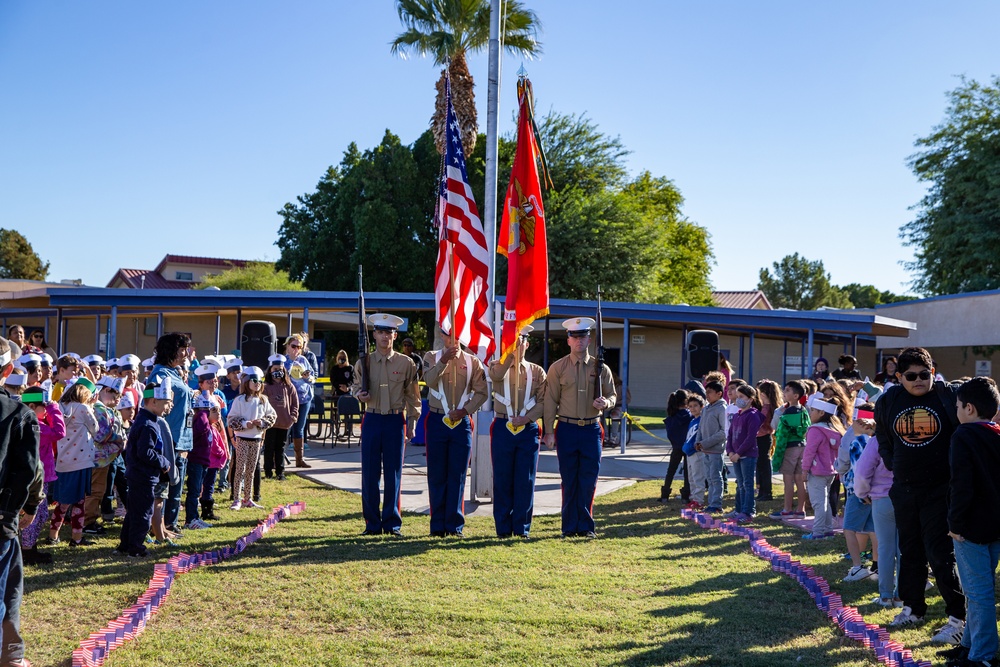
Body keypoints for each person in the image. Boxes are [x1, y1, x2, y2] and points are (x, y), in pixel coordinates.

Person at [877, 347, 966, 641]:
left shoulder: (948, 395)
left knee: (941, 555)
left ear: (932, 372)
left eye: (924, 374)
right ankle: (913, 608)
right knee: (910, 552)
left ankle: (957, 618)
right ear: (899, 376)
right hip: (904, 489)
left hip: (941, 490)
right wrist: (892, 462)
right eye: (911, 376)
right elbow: (883, 436)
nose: (918, 380)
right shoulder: (889, 400)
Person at [542, 317, 617, 538]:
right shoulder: (558, 368)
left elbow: (613, 395)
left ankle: (585, 526)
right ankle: (568, 527)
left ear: (589, 339)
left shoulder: (601, 367)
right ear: (568, 340)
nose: (579, 341)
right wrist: (548, 431)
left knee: (588, 479)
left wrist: (607, 403)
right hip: (566, 428)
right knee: (568, 478)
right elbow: (549, 401)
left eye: (582, 337)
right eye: (574, 337)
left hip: (592, 429)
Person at [945, 377, 1000, 667]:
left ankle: (983, 656)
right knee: (975, 589)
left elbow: (961, 484)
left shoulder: (963, 435)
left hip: (970, 529)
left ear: (968, 408)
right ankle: (968, 645)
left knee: (978, 594)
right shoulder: (997, 432)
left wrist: (955, 524)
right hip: (994, 525)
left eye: (956, 406)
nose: (956, 411)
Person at [351, 314, 421, 537]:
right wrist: (359, 395)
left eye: (389, 332)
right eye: (380, 332)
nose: (384, 336)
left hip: (394, 421)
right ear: (374, 334)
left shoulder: (406, 363)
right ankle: (372, 523)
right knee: (370, 474)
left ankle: (392, 523)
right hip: (371, 419)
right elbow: (354, 387)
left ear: (395, 335)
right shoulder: (364, 362)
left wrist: (412, 422)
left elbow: (413, 397)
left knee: (394, 474)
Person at [422, 327, 488, 538]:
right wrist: (443, 361)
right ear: (442, 335)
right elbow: (429, 381)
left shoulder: (472, 361)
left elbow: (482, 392)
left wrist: (466, 410)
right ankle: (437, 525)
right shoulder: (432, 357)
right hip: (437, 419)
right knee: (437, 474)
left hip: (461, 422)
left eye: (457, 335)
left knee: (458, 474)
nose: (453, 339)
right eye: (448, 334)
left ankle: (454, 525)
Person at [0, 335, 42, 667]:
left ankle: (11, 652)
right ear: (8, 370)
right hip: (1, 519)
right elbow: (29, 468)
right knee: (6, 587)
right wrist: (24, 508)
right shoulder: (19, 413)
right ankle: (10, 656)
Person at [489, 326, 546, 538]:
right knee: (503, 479)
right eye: (512, 340)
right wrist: (508, 354)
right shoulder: (497, 366)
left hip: (527, 428)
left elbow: (543, 401)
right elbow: (495, 377)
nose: (517, 344)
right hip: (503, 427)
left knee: (525, 479)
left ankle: (521, 528)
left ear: (527, 344)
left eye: (520, 340)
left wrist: (527, 418)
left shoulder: (537, 371)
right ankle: (503, 528)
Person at [116, 382, 174, 559]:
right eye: (166, 402)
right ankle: (135, 547)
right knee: (143, 513)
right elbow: (145, 452)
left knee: (134, 511)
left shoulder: (146, 419)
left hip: (137, 475)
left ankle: (125, 544)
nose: (168, 406)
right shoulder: (148, 424)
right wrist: (163, 461)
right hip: (143, 476)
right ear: (154, 402)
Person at [148, 333, 195, 534]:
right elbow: (153, 403)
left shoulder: (175, 373)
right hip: (168, 437)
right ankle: (159, 526)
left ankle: (171, 523)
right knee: (164, 486)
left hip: (183, 436)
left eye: (186, 349)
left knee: (177, 485)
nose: (186, 353)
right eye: (182, 349)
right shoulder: (160, 374)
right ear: (170, 350)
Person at [49, 378, 99, 547]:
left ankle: (53, 535)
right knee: (79, 502)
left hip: (63, 461)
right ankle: (76, 538)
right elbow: (96, 428)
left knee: (63, 503)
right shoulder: (83, 408)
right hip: (81, 461)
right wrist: (92, 406)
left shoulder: (60, 407)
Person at [854, 433, 900, 608]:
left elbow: (862, 471)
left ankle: (886, 596)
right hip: (907, 497)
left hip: (882, 498)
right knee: (903, 548)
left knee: (885, 547)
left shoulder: (878, 440)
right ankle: (901, 596)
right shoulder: (910, 436)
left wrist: (862, 494)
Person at [20, 387, 64, 566]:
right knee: (35, 515)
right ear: (31, 406)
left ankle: (31, 547)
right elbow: (59, 432)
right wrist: (54, 409)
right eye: (43, 407)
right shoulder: (36, 426)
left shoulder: (32, 423)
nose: (46, 410)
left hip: (41, 477)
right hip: (38, 478)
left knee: (41, 514)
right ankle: (27, 551)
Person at [227, 366, 276, 510]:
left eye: (260, 381)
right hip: (242, 438)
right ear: (247, 382)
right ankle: (237, 498)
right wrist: (243, 423)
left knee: (251, 469)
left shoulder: (263, 400)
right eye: (254, 380)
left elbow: (272, 416)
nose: (257, 383)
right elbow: (231, 419)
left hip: (256, 439)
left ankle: (247, 498)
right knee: (240, 469)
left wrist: (261, 423)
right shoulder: (240, 400)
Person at [82, 376, 126, 536]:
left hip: (100, 458)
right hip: (97, 458)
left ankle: (89, 520)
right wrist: (118, 438)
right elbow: (100, 435)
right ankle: (87, 522)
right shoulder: (99, 409)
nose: (118, 400)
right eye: (116, 396)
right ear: (106, 390)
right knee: (95, 491)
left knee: (97, 490)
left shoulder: (101, 409)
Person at [837, 412, 878, 581]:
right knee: (873, 530)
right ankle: (878, 566)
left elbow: (855, 468)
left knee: (849, 529)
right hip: (876, 491)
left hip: (858, 491)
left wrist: (861, 493)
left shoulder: (857, 440)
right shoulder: (877, 440)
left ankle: (857, 566)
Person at [801, 395, 845, 540]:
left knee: (818, 502)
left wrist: (804, 470)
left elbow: (809, 452)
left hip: (817, 472)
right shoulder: (835, 429)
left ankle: (818, 532)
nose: (810, 413)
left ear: (821, 413)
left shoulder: (815, 430)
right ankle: (828, 530)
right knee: (824, 500)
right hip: (830, 471)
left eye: (813, 410)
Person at [770, 380, 811, 519]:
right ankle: (801, 509)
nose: (784, 392)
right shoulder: (804, 410)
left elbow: (778, 430)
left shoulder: (787, 412)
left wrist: (779, 413)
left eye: (788, 390)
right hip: (802, 446)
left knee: (788, 480)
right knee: (800, 480)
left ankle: (787, 509)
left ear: (796, 395)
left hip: (789, 448)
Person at [185, 391, 227, 528]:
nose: (218, 414)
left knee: (198, 492)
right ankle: (190, 520)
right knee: (194, 491)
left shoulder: (210, 425)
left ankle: (195, 517)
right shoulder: (201, 422)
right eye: (214, 410)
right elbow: (201, 428)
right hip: (196, 462)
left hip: (203, 462)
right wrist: (203, 411)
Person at [726, 384, 766, 524]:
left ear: (750, 399)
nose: (738, 400)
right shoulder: (737, 414)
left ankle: (748, 511)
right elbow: (730, 435)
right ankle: (738, 509)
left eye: (741, 397)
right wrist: (730, 451)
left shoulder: (753, 416)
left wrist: (738, 453)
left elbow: (750, 438)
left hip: (747, 455)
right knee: (740, 484)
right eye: (737, 397)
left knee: (748, 484)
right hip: (736, 455)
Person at [262, 354, 299, 479]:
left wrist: (293, 417)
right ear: (270, 370)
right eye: (275, 369)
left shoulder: (289, 386)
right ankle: (268, 471)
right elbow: (262, 404)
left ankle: (280, 472)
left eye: (280, 369)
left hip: (284, 423)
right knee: (269, 448)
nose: (278, 372)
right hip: (270, 424)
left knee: (280, 448)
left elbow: (295, 403)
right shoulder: (265, 387)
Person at [695, 380, 727, 514]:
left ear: (719, 394)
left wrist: (706, 442)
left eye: (709, 392)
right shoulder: (707, 408)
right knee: (709, 478)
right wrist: (698, 441)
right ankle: (711, 503)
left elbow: (723, 432)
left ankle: (716, 504)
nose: (706, 395)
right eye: (706, 392)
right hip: (705, 450)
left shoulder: (722, 409)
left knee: (715, 477)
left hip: (715, 450)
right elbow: (700, 427)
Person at [284, 335, 314, 468]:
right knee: (286, 428)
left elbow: (313, 378)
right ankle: (278, 460)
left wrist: (308, 378)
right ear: (287, 346)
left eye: (299, 347)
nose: (296, 349)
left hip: (304, 398)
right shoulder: (283, 361)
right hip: (288, 400)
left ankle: (299, 460)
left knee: (299, 429)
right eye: (294, 346)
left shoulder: (303, 360)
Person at [660, 389, 692, 503]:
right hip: (688, 447)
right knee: (687, 473)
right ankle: (685, 495)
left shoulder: (671, 417)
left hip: (676, 447)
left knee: (671, 471)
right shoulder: (690, 416)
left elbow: (670, 434)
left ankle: (664, 495)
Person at [755, 380, 781, 501]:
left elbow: (766, 425)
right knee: (760, 465)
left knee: (764, 465)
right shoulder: (765, 407)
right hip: (760, 437)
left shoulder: (768, 407)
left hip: (764, 438)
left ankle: (767, 492)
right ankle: (762, 491)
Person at [683, 394, 707, 509]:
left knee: (698, 477)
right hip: (689, 453)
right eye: (690, 406)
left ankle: (699, 500)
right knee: (691, 477)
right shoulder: (692, 420)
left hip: (697, 453)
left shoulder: (703, 420)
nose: (693, 408)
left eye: (695, 406)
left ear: (702, 406)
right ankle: (693, 498)